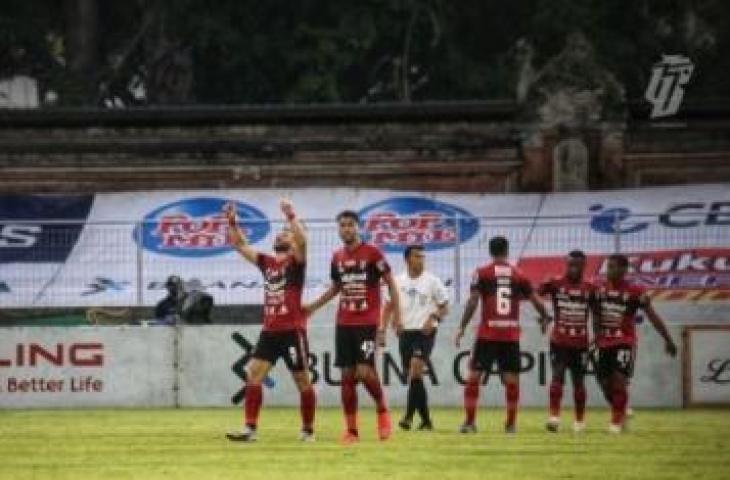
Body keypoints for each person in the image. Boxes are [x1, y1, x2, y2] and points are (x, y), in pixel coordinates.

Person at [305, 210, 402, 444]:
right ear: (338, 230)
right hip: (344, 323)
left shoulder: (372, 253)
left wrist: (395, 317)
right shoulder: (337, 257)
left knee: (365, 372)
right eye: (342, 225)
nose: (346, 229)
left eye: (350, 225)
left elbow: (391, 283)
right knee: (347, 377)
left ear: (358, 227)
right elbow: (336, 287)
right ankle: (352, 431)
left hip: (367, 322)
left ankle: (382, 410)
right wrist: (313, 306)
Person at [224, 199, 316, 442]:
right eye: (280, 232)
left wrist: (290, 215)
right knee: (254, 374)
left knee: (302, 380)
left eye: (286, 233)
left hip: (292, 331)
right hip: (270, 330)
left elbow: (304, 241)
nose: (281, 235)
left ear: (294, 240)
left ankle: (307, 430)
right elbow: (238, 243)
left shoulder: (297, 263)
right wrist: (232, 222)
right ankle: (250, 429)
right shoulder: (268, 263)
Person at [454, 236, 550, 434]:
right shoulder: (519, 275)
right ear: (507, 251)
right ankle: (511, 424)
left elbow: (473, 301)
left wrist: (462, 326)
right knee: (512, 381)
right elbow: (536, 301)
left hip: (487, 334)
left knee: (473, 378)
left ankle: (470, 422)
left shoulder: (482, 273)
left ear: (490, 251)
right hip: (510, 336)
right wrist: (545, 318)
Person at [593, 254, 677, 434]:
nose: (609, 270)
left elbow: (652, 316)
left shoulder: (636, 291)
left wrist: (668, 339)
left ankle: (615, 424)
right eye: (608, 267)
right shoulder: (599, 289)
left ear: (624, 270)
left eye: (613, 267)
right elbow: (596, 314)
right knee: (604, 384)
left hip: (624, 341)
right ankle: (621, 411)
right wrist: (596, 336)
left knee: (619, 381)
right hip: (603, 343)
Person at [382, 244, 448, 431]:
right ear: (407, 259)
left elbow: (445, 306)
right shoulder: (397, 281)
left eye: (423, 256)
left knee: (416, 369)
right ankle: (426, 421)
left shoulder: (432, 281)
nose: (421, 259)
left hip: (425, 332)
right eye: (417, 256)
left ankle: (408, 417)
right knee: (413, 377)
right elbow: (387, 307)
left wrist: (434, 317)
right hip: (405, 333)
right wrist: (383, 329)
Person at [538, 250, 594, 433]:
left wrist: (598, 335)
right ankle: (554, 417)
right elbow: (536, 292)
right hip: (559, 340)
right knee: (557, 376)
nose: (574, 268)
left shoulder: (590, 288)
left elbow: (599, 312)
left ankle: (579, 420)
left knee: (579, 381)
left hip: (581, 342)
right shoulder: (555, 283)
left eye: (578, 265)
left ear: (584, 266)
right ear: (566, 264)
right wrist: (544, 317)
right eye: (571, 264)